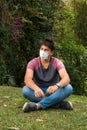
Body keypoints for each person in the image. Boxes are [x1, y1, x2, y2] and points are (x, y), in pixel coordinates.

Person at [22, 38, 73, 112]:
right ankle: (57, 104)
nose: (42, 51)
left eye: (46, 50)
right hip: (39, 92)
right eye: (41, 49)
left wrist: (56, 86)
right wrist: (36, 88)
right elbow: (27, 79)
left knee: (69, 88)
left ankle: (38, 105)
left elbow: (66, 78)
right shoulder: (33, 62)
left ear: (51, 52)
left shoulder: (57, 62)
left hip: (53, 92)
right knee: (25, 90)